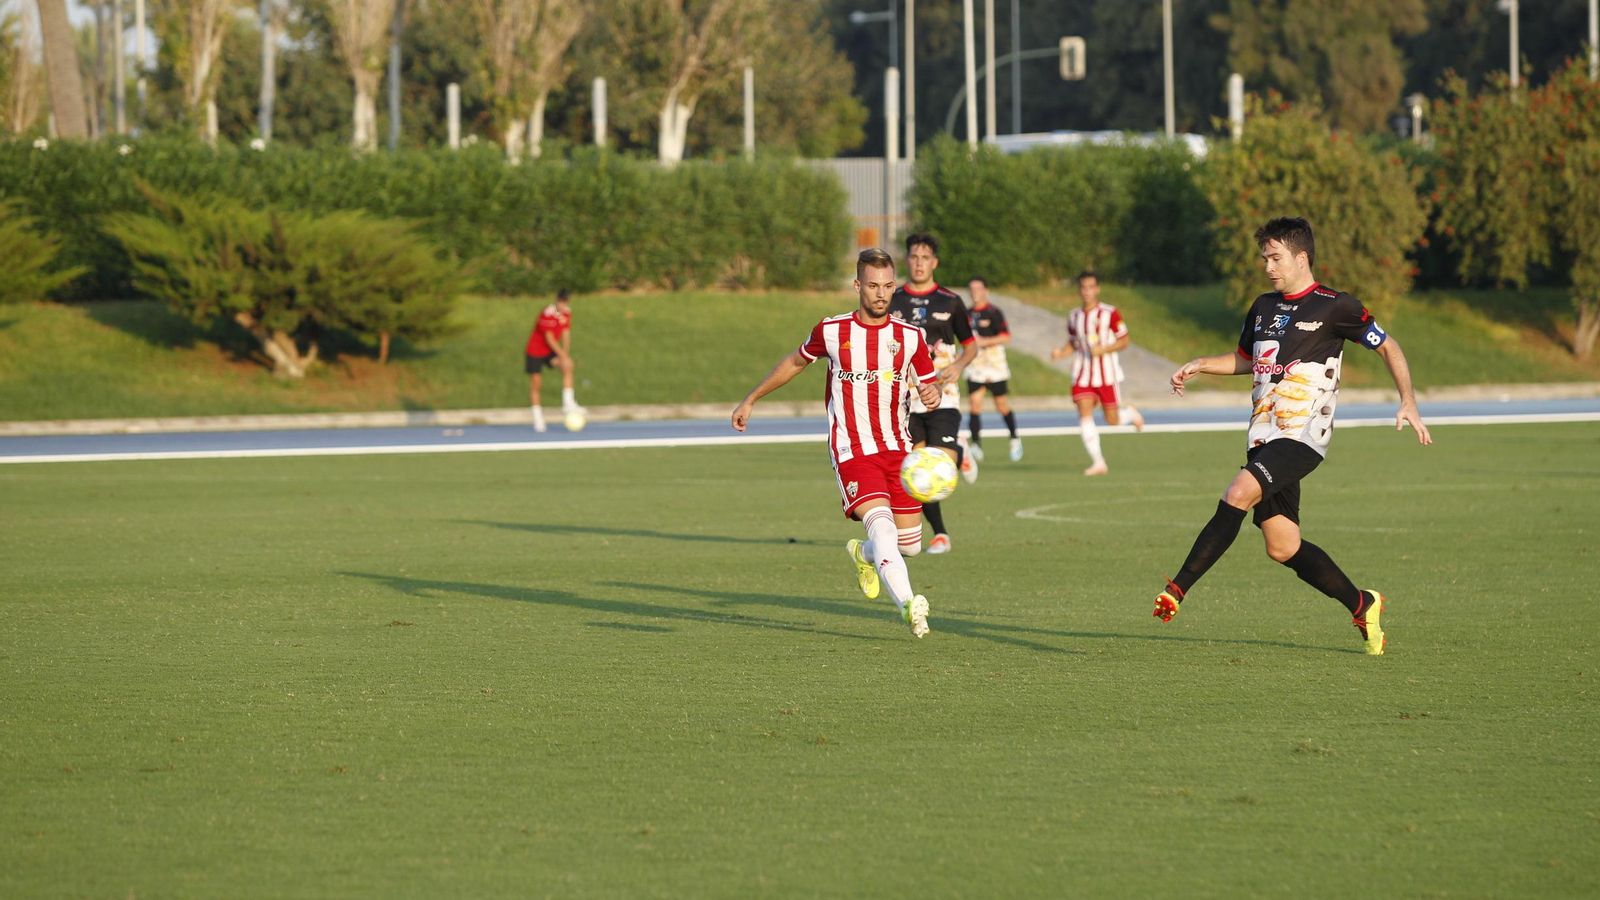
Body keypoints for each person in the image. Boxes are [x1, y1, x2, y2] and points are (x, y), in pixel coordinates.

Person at [1152, 216, 1432, 656]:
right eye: (1265, 257)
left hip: (1302, 436)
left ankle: (1177, 588)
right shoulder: (1262, 307)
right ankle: (1362, 603)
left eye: (1275, 257)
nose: (1268, 266)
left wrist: (1408, 401)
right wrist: (1202, 363)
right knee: (1283, 547)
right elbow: (1248, 360)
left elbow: (1388, 347)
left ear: (1301, 258)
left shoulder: (1335, 306)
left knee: (1238, 490)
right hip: (1263, 436)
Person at [732, 248, 941, 638]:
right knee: (882, 530)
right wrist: (752, 398)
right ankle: (911, 605)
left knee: (909, 545)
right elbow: (795, 362)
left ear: (894, 286)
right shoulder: (832, 331)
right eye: (873, 286)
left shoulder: (910, 337)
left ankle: (862, 554)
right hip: (853, 450)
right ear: (857, 285)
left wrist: (932, 396)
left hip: (899, 452)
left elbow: (929, 386)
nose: (881, 293)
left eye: (887, 286)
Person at [889, 233, 978, 555]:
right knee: (915, 469)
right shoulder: (893, 299)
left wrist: (959, 366)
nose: (919, 262)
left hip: (943, 395)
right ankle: (940, 534)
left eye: (925, 257)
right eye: (914, 256)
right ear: (907, 260)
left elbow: (971, 346)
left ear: (934, 262)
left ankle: (960, 451)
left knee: (941, 465)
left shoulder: (950, 301)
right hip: (904, 400)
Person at [1050, 270, 1145, 475]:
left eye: (1091, 287)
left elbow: (1124, 340)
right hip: (1082, 373)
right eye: (1083, 287)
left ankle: (1128, 413)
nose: (1087, 292)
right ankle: (1098, 462)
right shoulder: (1074, 316)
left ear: (1097, 289)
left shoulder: (1110, 313)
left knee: (1111, 420)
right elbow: (1074, 342)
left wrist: (1104, 349)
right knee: (1084, 412)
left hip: (1106, 374)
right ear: (1079, 290)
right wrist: (1060, 353)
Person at [964, 276, 1024, 463]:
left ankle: (1014, 438)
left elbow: (1006, 337)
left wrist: (985, 342)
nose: (975, 293)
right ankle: (976, 444)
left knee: (1001, 405)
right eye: (972, 289)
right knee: (975, 403)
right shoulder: (966, 313)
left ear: (985, 291)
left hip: (994, 362)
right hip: (976, 363)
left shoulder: (994, 312)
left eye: (978, 289)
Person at [526, 289, 581, 432]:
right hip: (535, 351)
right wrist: (562, 355)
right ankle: (538, 418)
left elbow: (565, 334)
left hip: (551, 352)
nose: (563, 305)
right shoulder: (547, 313)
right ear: (557, 300)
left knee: (568, 366)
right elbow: (549, 339)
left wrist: (565, 355)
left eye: (565, 302)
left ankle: (567, 402)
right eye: (561, 302)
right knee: (537, 384)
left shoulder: (567, 313)